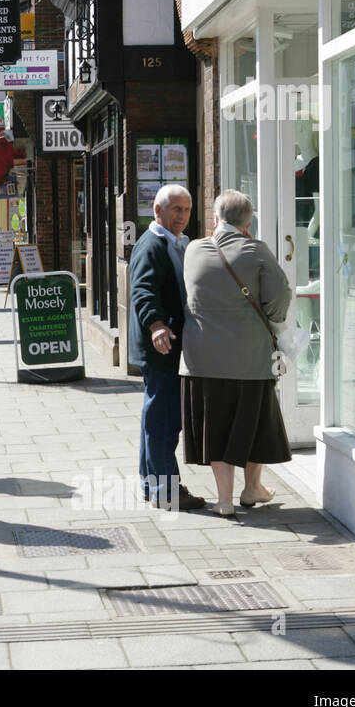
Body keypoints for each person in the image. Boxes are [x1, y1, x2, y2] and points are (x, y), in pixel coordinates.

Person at [181, 189, 293, 516]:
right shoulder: (257, 250)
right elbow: (280, 298)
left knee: (215, 428)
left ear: (215, 219)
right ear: (248, 223)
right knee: (253, 424)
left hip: (200, 359)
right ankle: (252, 488)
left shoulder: (193, 249)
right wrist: (272, 319)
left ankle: (225, 500)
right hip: (250, 359)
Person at [127, 184, 206, 512]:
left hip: (166, 344)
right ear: (157, 211)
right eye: (176, 209)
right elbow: (143, 290)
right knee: (164, 419)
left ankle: (152, 483)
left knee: (155, 415)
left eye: (187, 210)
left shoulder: (179, 242)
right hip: (161, 346)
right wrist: (157, 325)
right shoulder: (152, 245)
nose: (183, 216)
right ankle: (167, 489)